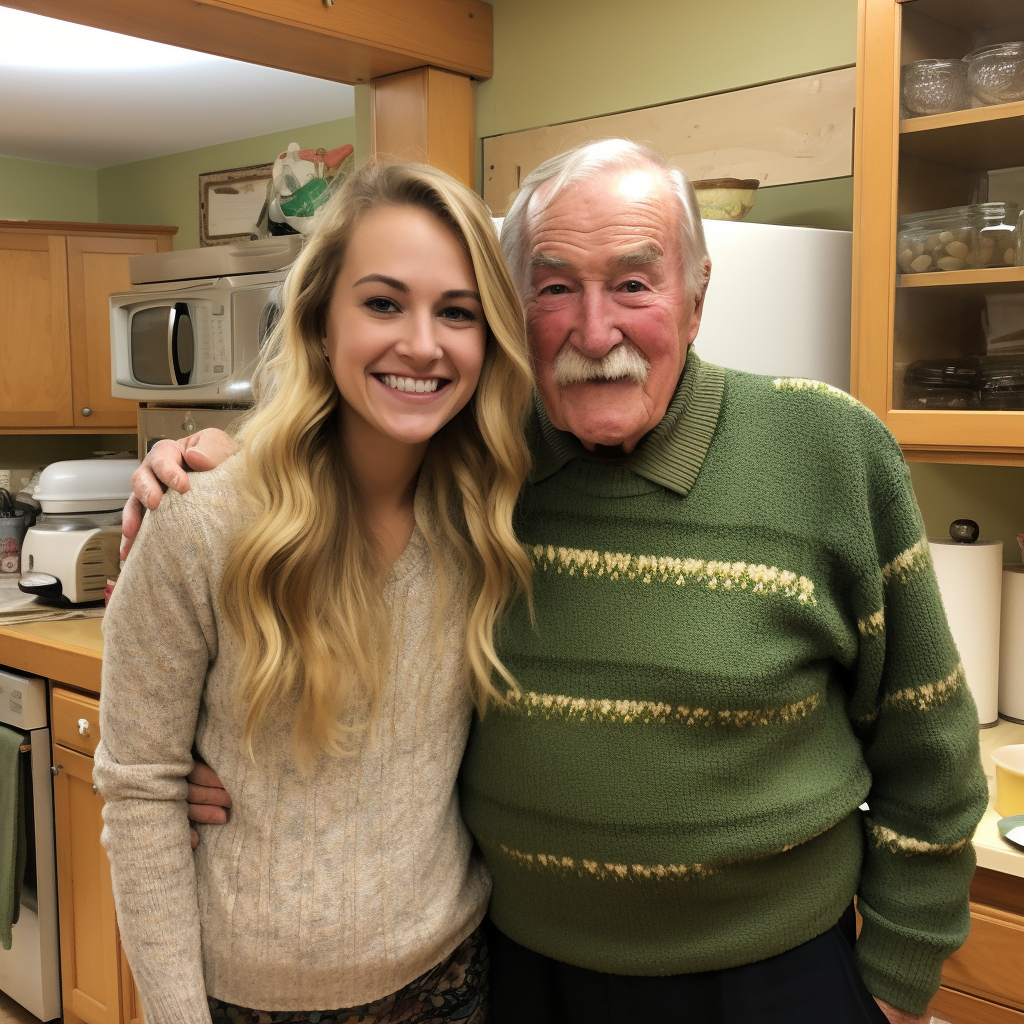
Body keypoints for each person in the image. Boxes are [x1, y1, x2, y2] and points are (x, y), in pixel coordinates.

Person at [126, 140, 988, 1024]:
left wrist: (896, 978)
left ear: (695, 298)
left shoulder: (828, 451)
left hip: (772, 980)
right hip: (519, 979)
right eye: (554, 286)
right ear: (516, 311)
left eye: (634, 284)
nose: (594, 330)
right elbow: (329, 496)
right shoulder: (477, 461)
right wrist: (208, 469)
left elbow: (931, 746)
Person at [94, 161, 537, 1024]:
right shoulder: (202, 524)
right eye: (382, 303)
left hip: (451, 982)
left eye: (458, 312)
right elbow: (142, 790)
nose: (422, 342)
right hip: (246, 1003)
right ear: (321, 326)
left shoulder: (489, 517)